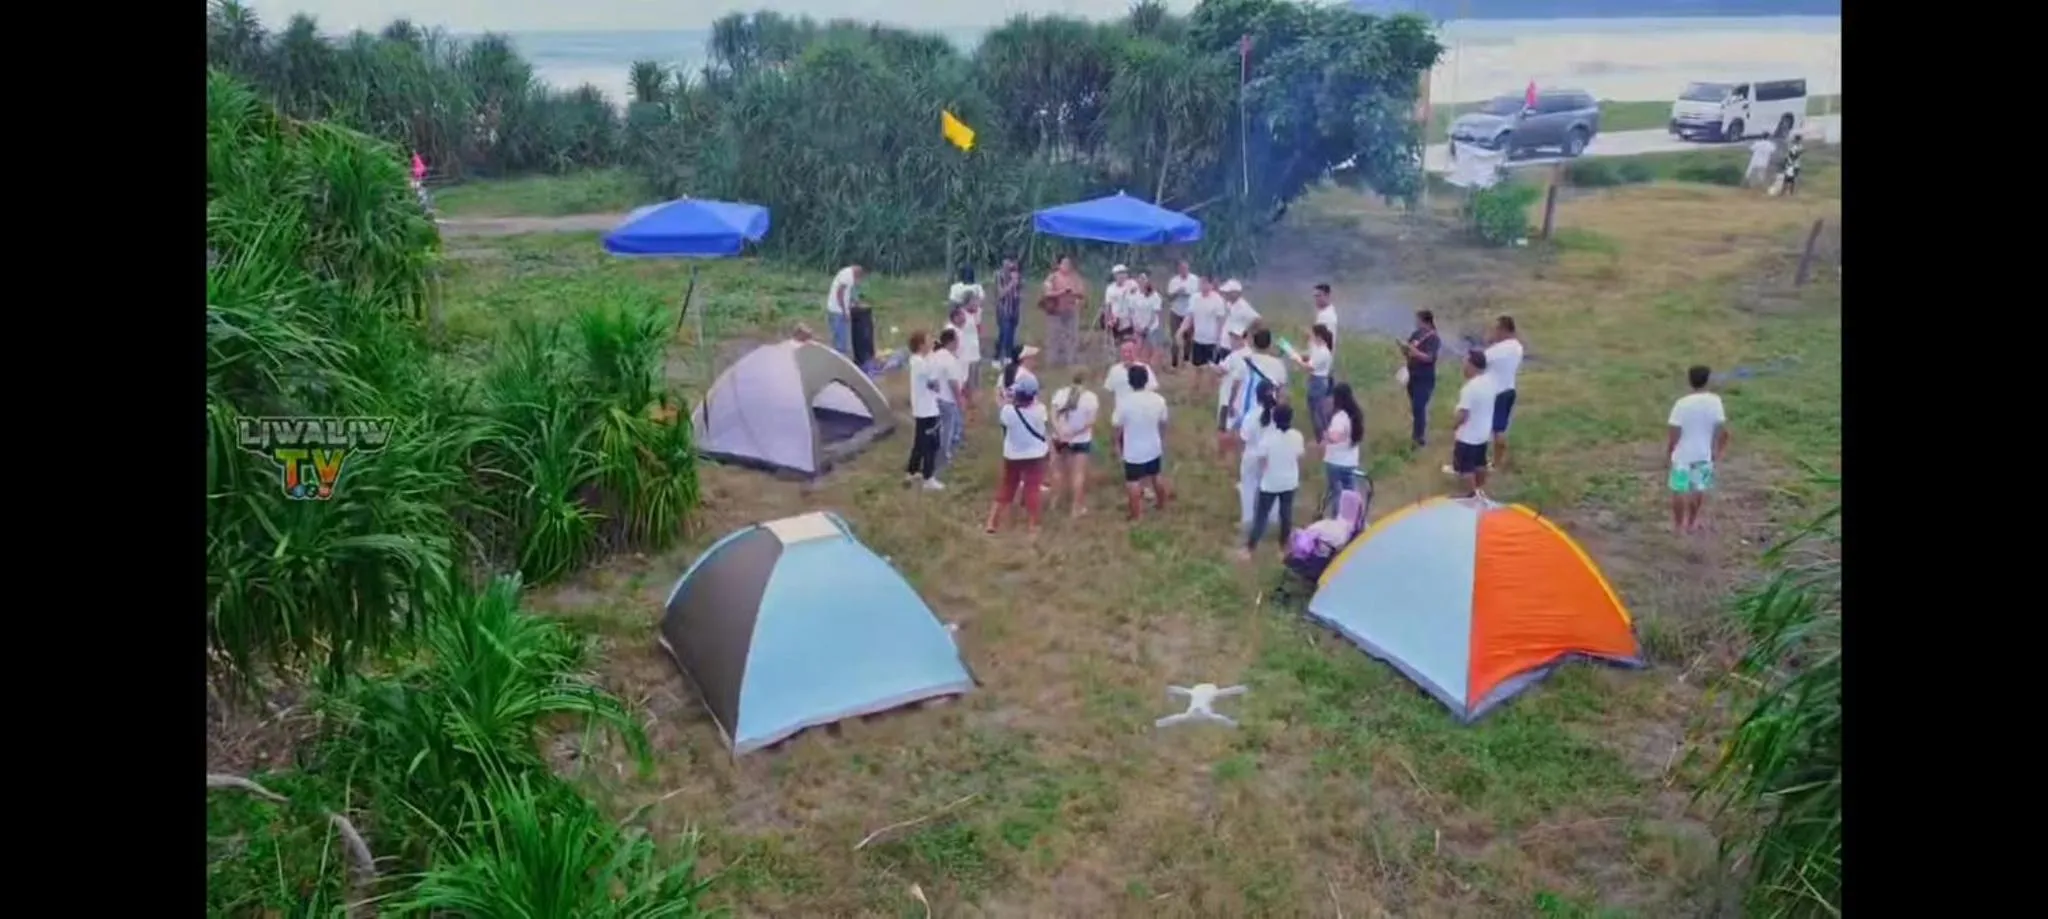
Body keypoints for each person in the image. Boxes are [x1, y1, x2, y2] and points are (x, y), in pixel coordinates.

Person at [1666, 364, 1729, 534]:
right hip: (1703, 453)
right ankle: (1692, 523)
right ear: (1707, 380)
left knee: (1679, 489)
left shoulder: (1681, 404)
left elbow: (1674, 432)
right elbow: (1722, 429)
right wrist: (1718, 450)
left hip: (1682, 454)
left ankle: (1678, 526)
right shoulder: (1715, 401)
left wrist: (1670, 451)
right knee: (1698, 488)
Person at [986, 375, 1051, 537]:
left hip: (1012, 455)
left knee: (1006, 487)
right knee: (1032, 490)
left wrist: (1007, 399)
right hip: (1035, 455)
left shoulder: (1008, 411)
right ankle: (1033, 527)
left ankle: (992, 523)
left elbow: (1004, 417)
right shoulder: (1040, 410)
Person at [1240, 403, 1305, 562]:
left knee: (1261, 516)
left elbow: (1262, 461)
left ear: (1274, 419)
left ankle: (1250, 549)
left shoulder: (1268, 439)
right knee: (1286, 515)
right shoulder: (1297, 436)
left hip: (1270, 482)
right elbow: (1299, 456)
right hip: (1290, 481)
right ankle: (1283, 548)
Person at [1112, 364, 1172, 521]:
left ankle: (1136, 514)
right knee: (1156, 476)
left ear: (1130, 382)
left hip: (1133, 450)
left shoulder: (1124, 403)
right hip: (1153, 446)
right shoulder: (1158, 400)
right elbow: (1163, 423)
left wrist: (1117, 446)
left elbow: (1117, 427)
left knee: (1133, 482)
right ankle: (1162, 503)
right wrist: (1162, 439)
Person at [1235, 382, 1287, 532]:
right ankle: (1272, 519)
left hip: (1252, 456)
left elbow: (1244, 438)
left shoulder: (1251, 416)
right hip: (1272, 457)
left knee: (1248, 487)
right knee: (1272, 487)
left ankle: (1248, 520)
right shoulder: (1278, 415)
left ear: (1256, 397)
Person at [1048, 370, 1099, 516]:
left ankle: (1054, 502)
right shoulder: (1091, 398)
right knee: (1078, 474)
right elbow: (1090, 421)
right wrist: (1074, 434)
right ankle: (1076, 507)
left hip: (1059, 438)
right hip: (1080, 439)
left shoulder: (1060, 393)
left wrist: (1060, 432)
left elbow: (1053, 414)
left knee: (1057, 471)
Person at [1448, 349, 1497, 497]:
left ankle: (1471, 495)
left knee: (1465, 469)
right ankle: (1480, 489)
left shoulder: (1470, 388)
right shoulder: (1490, 382)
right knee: (1480, 463)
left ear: (1472, 365)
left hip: (1468, 436)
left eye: (1465, 362)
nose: (1463, 366)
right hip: (1483, 433)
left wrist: (1454, 425)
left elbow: (1463, 414)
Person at [903, 330, 945, 490]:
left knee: (920, 442)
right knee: (931, 444)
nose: (932, 342)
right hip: (928, 410)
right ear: (921, 345)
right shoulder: (921, 363)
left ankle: (912, 471)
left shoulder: (917, 361)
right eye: (929, 340)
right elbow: (934, 383)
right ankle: (929, 477)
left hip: (922, 408)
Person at [1483, 315, 1524, 471]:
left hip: (1496, 392)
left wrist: (1489, 343)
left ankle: (1493, 463)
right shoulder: (1517, 347)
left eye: (1495, 329)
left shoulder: (1496, 350)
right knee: (1500, 428)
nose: (1493, 332)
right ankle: (1496, 461)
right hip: (1509, 390)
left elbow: (1480, 362)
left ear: (1502, 329)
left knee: (1494, 429)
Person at [1398, 310, 1441, 448]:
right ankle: (1417, 434)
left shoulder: (1434, 338)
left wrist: (1414, 352)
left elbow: (1429, 358)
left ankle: (1419, 438)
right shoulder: (1416, 334)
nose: (1416, 323)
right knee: (1415, 408)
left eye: (1418, 320)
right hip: (1413, 375)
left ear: (1425, 321)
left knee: (1419, 406)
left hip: (1425, 378)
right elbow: (1409, 352)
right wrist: (1404, 348)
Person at [1322, 382, 1364, 516]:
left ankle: (1338, 521)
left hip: (1336, 461)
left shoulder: (1340, 417)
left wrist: (1325, 435)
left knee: (1338, 495)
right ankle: (1355, 519)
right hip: (1350, 461)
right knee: (1351, 493)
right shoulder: (1356, 415)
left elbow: (1334, 437)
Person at [1040, 256, 1086, 367]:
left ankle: (1071, 360)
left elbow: (1081, 292)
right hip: (1055, 311)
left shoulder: (1075, 277)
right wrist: (1061, 292)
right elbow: (1047, 293)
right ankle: (1052, 361)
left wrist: (1074, 293)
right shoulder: (1052, 277)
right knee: (1054, 336)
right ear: (1059, 265)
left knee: (1072, 336)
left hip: (1071, 310)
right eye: (1064, 263)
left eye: (1068, 263)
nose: (1067, 266)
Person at [933, 326, 967, 472]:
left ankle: (934, 451)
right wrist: (960, 400)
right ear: (951, 342)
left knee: (937, 427)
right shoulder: (950, 359)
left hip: (935, 398)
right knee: (947, 429)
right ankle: (943, 456)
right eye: (957, 340)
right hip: (947, 399)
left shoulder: (935, 355)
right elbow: (953, 383)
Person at [1294, 324, 1337, 437]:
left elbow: (1309, 367)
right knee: (1314, 410)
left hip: (1319, 382)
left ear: (1319, 336)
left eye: (1313, 334)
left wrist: (1297, 360)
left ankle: (1323, 436)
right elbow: (1308, 355)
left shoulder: (1323, 352)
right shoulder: (1317, 348)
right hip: (1315, 381)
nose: (1311, 336)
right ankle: (1322, 435)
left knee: (1318, 412)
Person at [1103, 339, 1159, 411]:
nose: (1126, 354)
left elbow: (1152, 388)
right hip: (1121, 411)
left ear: (1135, 352)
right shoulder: (1114, 370)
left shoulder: (1144, 368)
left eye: (1130, 351)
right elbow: (1109, 389)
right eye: (1124, 352)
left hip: (1141, 410)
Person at [1184, 276, 1228, 368]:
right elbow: (1189, 317)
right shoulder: (1194, 298)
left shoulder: (1218, 300)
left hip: (1211, 340)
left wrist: (1219, 340)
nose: (1202, 285)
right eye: (1201, 283)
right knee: (1197, 367)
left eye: (1205, 283)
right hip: (1197, 339)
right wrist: (1181, 330)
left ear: (1211, 285)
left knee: (1210, 368)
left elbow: (1220, 321)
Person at [1165, 261, 1202, 369]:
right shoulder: (1174, 281)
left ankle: (1186, 360)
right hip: (1176, 312)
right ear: (1178, 269)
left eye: (1185, 268)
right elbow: (1169, 298)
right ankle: (1174, 363)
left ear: (1188, 268)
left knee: (1189, 338)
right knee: (1175, 337)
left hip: (1189, 313)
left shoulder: (1195, 280)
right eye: (1181, 269)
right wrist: (1177, 292)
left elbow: (1199, 295)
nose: (1183, 271)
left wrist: (1188, 294)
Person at [825, 264, 863, 356]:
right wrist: (845, 311)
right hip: (837, 311)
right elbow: (840, 293)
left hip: (832, 308)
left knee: (836, 337)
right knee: (841, 342)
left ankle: (834, 359)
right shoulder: (848, 277)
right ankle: (839, 363)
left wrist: (855, 302)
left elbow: (849, 292)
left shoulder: (846, 273)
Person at [1129, 273, 1164, 364]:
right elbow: (1132, 312)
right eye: (1140, 279)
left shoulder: (1155, 296)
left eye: (1144, 279)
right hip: (1138, 327)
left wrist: (1147, 327)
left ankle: (1151, 367)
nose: (1142, 282)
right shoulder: (1134, 295)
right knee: (1137, 348)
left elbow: (1155, 314)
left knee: (1151, 349)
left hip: (1151, 327)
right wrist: (1135, 326)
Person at [994, 258, 1023, 365]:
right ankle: (997, 357)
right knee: (1003, 334)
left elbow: (1019, 293)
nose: (1011, 265)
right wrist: (1012, 283)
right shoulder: (999, 275)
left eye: (1013, 262)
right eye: (1008, 262)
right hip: (1003, 309)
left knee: (1011, 334)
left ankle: (1008, 357)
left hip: (1014, 309)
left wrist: (1017, 286)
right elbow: (1001, 293)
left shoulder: (1017, 274)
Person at [1220, 280, 1260, 348]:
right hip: (1225, 344)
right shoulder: (1229, 304)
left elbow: (1257, 320)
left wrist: (1245, 333)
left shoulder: (1243, 306)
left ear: (1235, 293)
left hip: (1235, 347)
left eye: (1228, 292)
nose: (1225, 294)